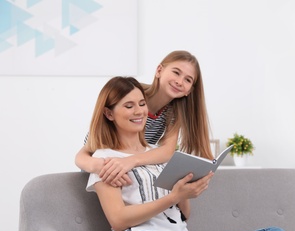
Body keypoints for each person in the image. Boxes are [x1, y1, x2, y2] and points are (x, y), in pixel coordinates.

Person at [84, 76, 291, 231]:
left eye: (141, 103)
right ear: (109, 114)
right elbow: (118, 220)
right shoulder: (106, 159)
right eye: (128, 106)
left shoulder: (158, 153)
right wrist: (172, 197)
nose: (139, 111)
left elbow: (183, 215)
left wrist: (186, 190)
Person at [76, 50, 213, 187]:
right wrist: (98, 166)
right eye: (176, 72)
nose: (179, 82)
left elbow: (167, 152)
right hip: (106, 169)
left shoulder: (173, 113)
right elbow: (85, 151)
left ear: (189, 90)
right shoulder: (132, 92)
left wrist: (131, 161)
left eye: (187, 80)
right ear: (159, 70)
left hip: (130, 171)